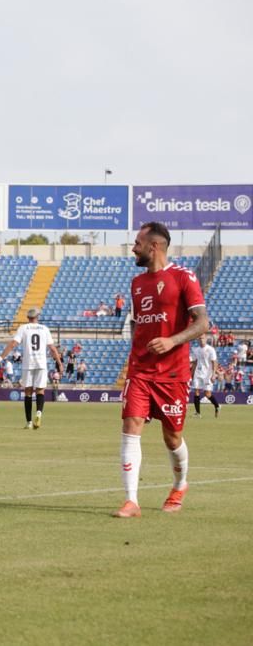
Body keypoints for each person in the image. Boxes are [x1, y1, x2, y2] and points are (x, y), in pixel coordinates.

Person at [115, 221, 208, 518]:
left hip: (173, 373)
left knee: (172, 437)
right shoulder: (136, 283)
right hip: (140, 370)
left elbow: (202, 323)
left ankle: (180, 485)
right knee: (131, 426)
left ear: (154, 246)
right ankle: (131, 500)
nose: (133, 247)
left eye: (138, 243)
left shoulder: (184, 277)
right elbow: (141, 324)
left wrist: (172, 341)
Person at [0, 308, 63, 429]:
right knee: (40, 391)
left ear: (28, 317)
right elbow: (52, 348)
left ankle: (29, 422)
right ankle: (39, 414)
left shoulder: (23, 328)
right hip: (41, 364)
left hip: (28, 364)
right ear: (38, 317)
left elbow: (13, 344)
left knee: (28, 393)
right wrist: (60, 363)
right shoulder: (45, 329)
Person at [190, 334, 220, 417]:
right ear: (197, 340)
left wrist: (214, 374)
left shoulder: (210, 349)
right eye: (199, 338)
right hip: (198, 373)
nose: (201, 340)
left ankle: (217, 406)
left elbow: (214, 362)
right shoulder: (196, 350)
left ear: (206, 339)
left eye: (202, 338)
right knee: (196, 391)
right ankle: (198, 413)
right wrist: (192, 374)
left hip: (207, 374)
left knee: (207, 394)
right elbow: (195, 362)